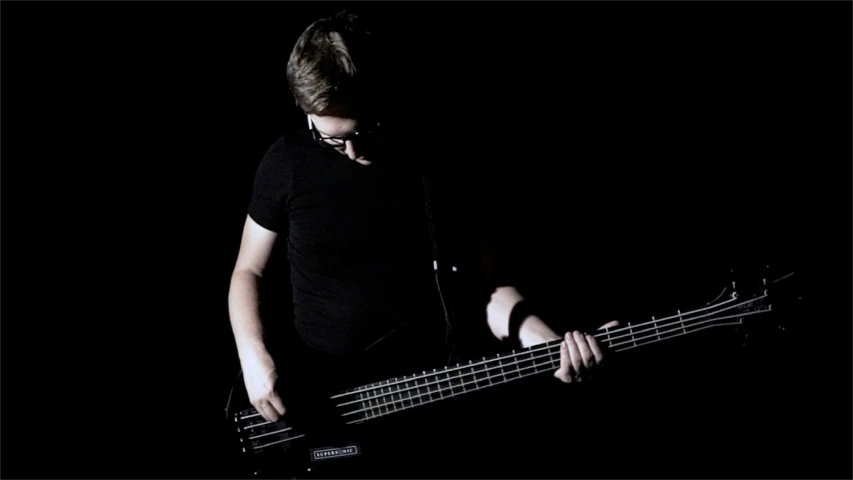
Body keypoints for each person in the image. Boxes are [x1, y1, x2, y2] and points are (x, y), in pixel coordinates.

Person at [227, 10, 618, 429]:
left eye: (366, 131)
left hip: (425, 394)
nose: (354, 152)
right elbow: (249, 270)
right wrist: (254, 358)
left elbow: (485, 290)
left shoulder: (441, 163)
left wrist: (549, 345)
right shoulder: (286, 162)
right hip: (323, 396)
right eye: (332, 140)